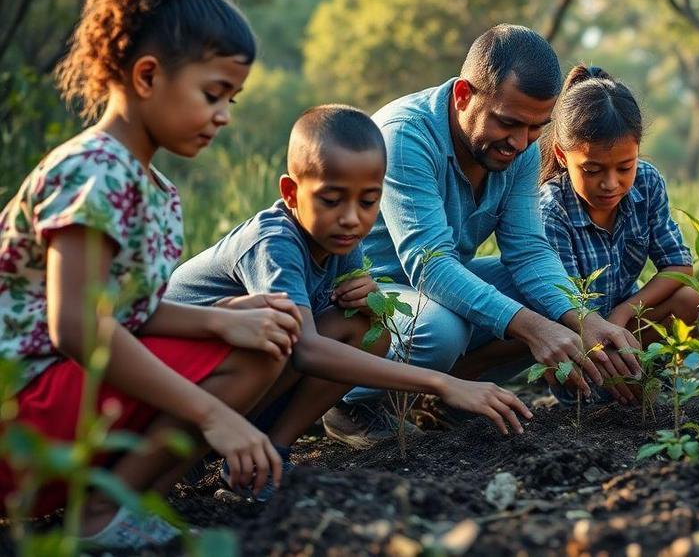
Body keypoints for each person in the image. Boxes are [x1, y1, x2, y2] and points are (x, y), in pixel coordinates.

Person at [0, 0, 294, 549]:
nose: (224, 116)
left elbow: (123, 310)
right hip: (19, 420)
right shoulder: (94, 171)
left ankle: (120, 505)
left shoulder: (150, 185)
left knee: (259, 333)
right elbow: (77, 324)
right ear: (148, 75)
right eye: (213, 94)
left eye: (230, 101)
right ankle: (102, 515)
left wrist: (217, 320)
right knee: (254, 357)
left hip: (61, 409)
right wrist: (215, 414)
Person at [165, 105, 532, 492]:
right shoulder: (273, 243)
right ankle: (185, 455)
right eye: (331, 199)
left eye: (368, 201)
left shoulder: (339, 241)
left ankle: (273, 448)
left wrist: (369, 296)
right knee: (284, 336)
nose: (352, 219)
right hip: (176, 389)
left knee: (364, 324)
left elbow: (343, 331)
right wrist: (441, 383)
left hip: (234, 383)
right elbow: (306, 350)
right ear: (291, 193)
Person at [330, 25, 642, 445]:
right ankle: (348, 402)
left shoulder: (521, 148)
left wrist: (581, 319)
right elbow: (430, 265)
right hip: (365, 296)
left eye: (536, 128)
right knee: (440, 331)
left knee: (557, 290)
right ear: (463, 95)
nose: (520, 142)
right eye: (508, 123)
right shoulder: (404, 136)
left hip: (431, 292)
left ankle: (443, 396)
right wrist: (534, 328)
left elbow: (529, 252)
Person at [538, 64, 699, 339]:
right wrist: (605, 329)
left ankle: (650, 377)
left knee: (691, 298)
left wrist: (624, 312)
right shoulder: (552, 208)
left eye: (625, 167)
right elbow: (568, 308)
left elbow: (679, 266)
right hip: (575, 334)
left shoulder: (646, 182)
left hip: (626, 321)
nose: (611, 184)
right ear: (562, 156)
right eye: (592, 170)